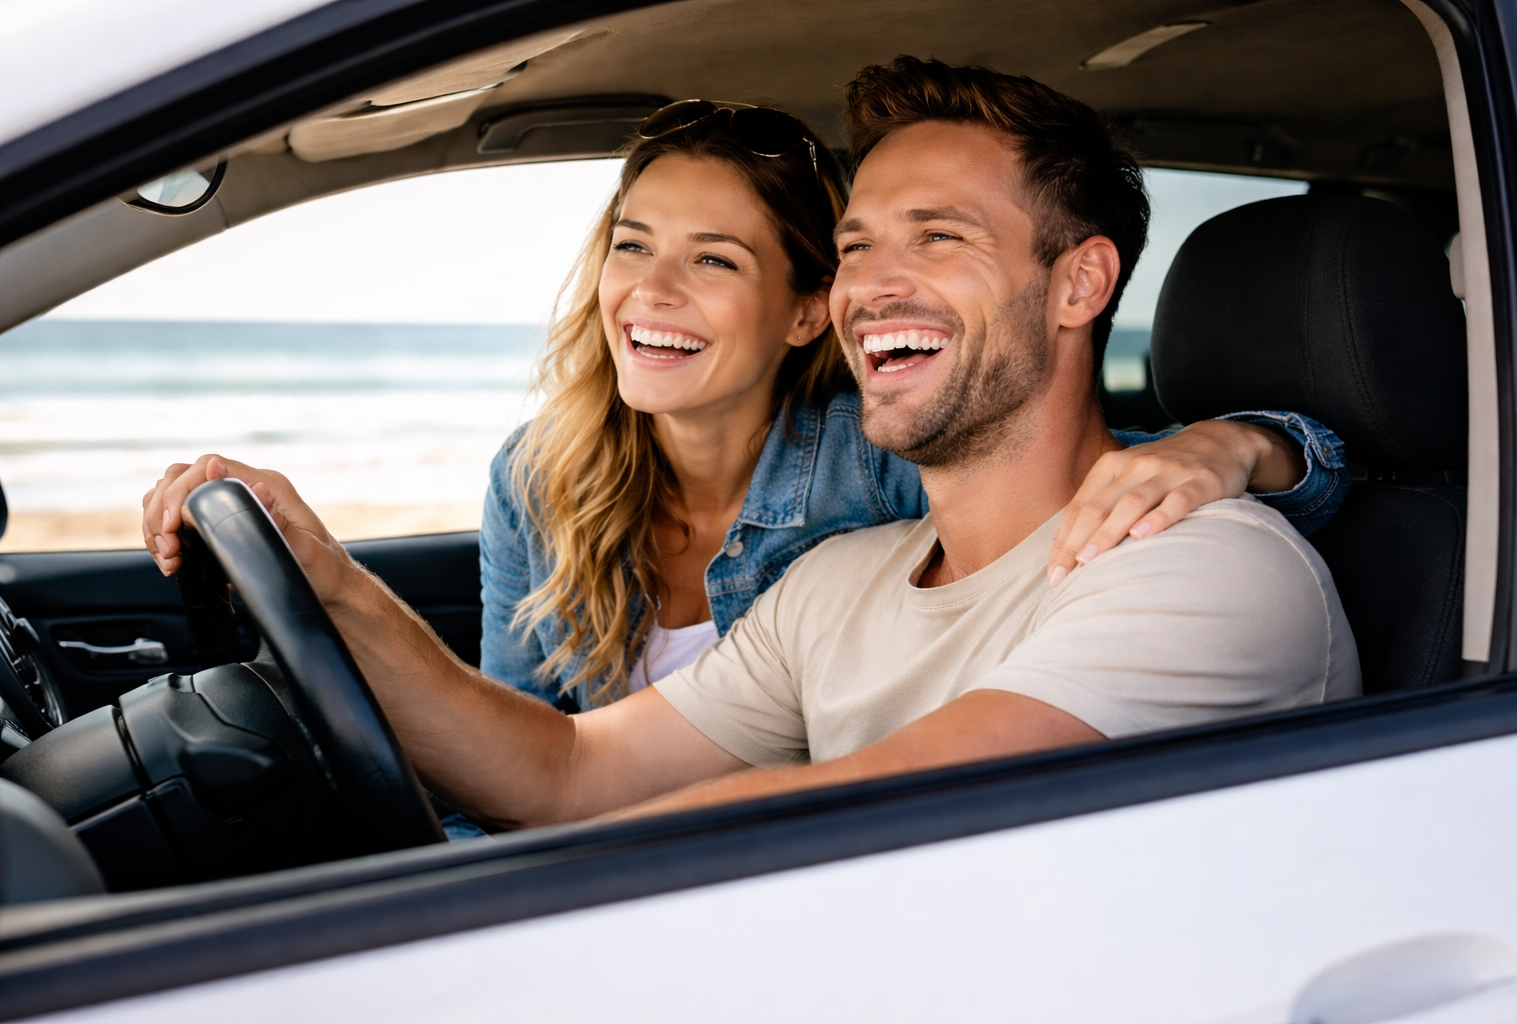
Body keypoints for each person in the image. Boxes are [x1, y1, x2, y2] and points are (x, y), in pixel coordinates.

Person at [141, 57, 1359, 830]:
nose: (872, 286)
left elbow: (853, 819)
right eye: (863, 245)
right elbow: (559, 776)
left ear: (1081, 281)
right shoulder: (841, 581)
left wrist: (1247, 442)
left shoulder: (1203, 565)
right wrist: (334, 582)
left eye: (938, 237)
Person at [475, 97, 1346, 713]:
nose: (651, 290)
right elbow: (520, 754)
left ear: (808, 311)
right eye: (632, 247)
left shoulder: (881, 456)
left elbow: (1106, 475)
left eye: (714, 260)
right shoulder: (537, 475)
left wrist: (1243, 443)